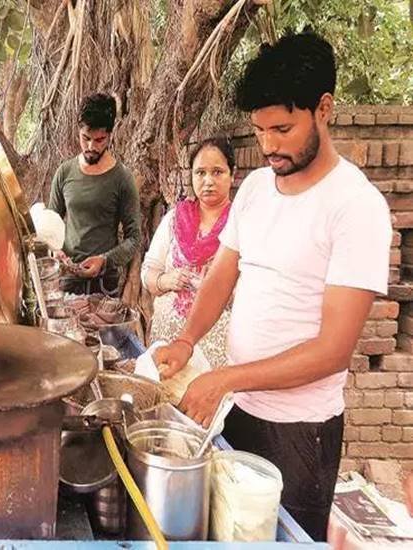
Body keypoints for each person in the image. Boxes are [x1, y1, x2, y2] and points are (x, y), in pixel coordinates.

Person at [154, 32, 392, 541]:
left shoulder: (356, 206)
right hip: (238, 413)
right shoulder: (258, 188)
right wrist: (187, 340)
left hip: (300, 434)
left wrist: (226, 378)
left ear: (323, 109)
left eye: (282, 129)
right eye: (260, 130)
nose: (269, 146)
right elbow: (223, 272)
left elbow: (333, 351)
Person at [141, 138, 235, 369]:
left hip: (218, 350)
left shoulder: (241, 223)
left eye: (217, 172)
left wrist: (221, 290)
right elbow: (148, 272)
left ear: (233, 175)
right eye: (200, 173)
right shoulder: (175, 219)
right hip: (167, 340)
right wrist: (165, 280)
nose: (208, 181)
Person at [47, 92, 141, 296]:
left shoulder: (122, 178)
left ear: (110, 135)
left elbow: (134, 239)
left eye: (99, 140)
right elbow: (50, 225)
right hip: (66, 281)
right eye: (85, 138)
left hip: (104, 285)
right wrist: (55, 251)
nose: (91, 147)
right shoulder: (64, 172)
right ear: (78, 132)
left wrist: (105, 260)